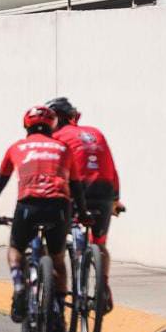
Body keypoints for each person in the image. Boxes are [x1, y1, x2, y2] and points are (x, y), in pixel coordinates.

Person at [0, 105, 83, 331]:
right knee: (58, 262)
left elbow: (1, 182)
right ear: (53, 125)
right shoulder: (63, 148)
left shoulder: (17, 147)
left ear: (26, 125)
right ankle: (57, 312)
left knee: (15, 250)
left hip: (28, 206)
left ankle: (19, 287)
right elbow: (76, 185)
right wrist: (83, 213)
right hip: (58, 207)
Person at [48, 97, 123, 312]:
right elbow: (112, 168)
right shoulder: (96, 133)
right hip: (104, 191)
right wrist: (116, 199)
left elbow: (54, 168)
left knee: (57, 240)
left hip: (76, 191)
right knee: (99, 244)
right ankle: (103, 287)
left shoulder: (58, 137)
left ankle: (58, 287)